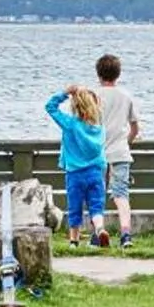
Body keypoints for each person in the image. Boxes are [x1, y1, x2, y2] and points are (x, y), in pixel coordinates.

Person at [46, 85, 108, 249]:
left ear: (75, 107)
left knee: (75, 208)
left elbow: (50, 107)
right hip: (95, 173)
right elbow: (98, 109)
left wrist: (65, 93)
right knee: (96, 207)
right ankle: (100, 229)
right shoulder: (99, 128)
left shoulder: (70, 124)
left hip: (75, 174)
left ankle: (74, 241)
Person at [93, 54, 140, 249]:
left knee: (97, 195)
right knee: (121, 195)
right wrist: (126, 142)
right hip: (120, 152)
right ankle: (126, 234)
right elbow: (135, 128)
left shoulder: (93, 96)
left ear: (98, 74)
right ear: (118, 74)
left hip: (97, 153)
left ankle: (98, 233)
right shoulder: (126, 96)